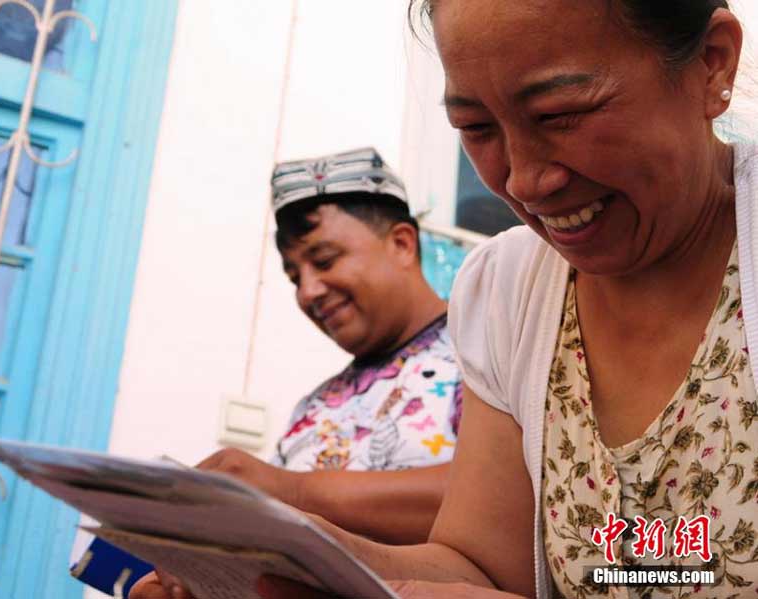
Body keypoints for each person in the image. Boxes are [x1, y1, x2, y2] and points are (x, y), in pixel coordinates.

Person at [255, 1, 758, 598]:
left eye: (560, 114)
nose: (522, 180)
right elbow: (483, 568)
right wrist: (299, 555)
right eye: (476, 128)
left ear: (711, 63)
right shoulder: (509, 292)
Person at [130, 147, 464, 598]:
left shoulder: (485, 353)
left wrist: (292, 492)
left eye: (324, 261)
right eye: (294, 277)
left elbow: (504, 504)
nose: (308, 291)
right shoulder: (316, 406)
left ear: (402, 244)